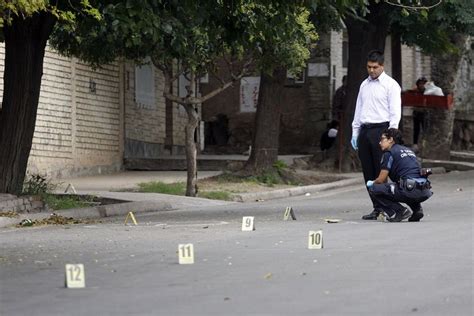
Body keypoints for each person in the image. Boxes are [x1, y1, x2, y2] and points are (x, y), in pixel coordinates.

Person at [351, 50, 402, 220]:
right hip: (365, 130)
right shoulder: (364, 85)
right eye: (369, 67)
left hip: (382, 130)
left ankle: (388, 206)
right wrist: (355, 132)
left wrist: (391, 134)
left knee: (382, 171)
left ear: (382, 66)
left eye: (375, 67)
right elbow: (359, 110)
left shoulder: (390, 85)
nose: (371, 70)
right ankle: (377, 207)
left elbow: (395, 111)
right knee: (368, 171)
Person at [366, 128, 432, 222]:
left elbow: (381, 179)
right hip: (424, 190)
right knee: (404, 185)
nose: (380, 142)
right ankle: (417, 210)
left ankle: (400, 211)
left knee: (374, 189)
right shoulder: (408, 150)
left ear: (390, 139)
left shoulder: (389, 153)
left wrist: (372, 182)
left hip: (409, 189)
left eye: (382, 139)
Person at [410, 77, 427, 151]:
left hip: (425, 113)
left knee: (425, 129)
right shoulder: (415, 91)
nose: (422, 85)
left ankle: (424, 145)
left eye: (423, 83)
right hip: (417, 112)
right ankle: (415, 144)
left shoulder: (428, 92)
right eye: (420, 83)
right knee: (416, 129)